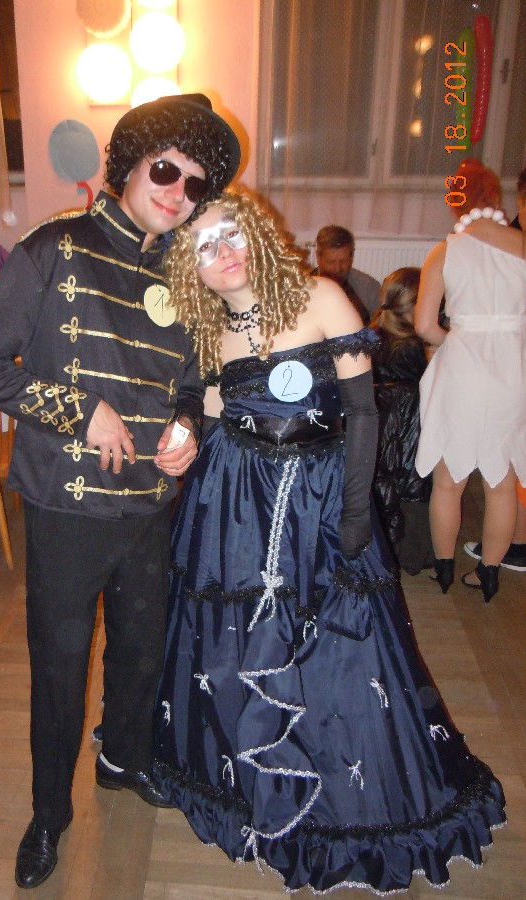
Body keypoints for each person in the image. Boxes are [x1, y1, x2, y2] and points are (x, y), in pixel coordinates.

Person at [152, 190, 506, 894]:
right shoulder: (208, 326)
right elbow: (206, 403)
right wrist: (184, 429)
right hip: (235, 499)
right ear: (192, 270)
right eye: (202, 248)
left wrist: (352, 513)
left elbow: (362, 413)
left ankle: (344, 796)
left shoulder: (320, 297)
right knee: (233, 636)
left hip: (317, 497)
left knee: (336, 642)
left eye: (229, 234)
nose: (221, 253)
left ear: (257, 235)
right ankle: (244, 778)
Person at [0, 93, 241, 890]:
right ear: (129, 164)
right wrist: (79, 410)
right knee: (58, 665)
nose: (176, 193)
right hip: (67, 505)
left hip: (149, 503)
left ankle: (122, 758)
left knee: (141, 649)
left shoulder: (184, 272)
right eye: (164, 171)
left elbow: (191, 381)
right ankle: (49, 814)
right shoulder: (53, 247)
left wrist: (186, 425)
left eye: (193, 184)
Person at [415, 159, 526, 601]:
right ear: (495, 197)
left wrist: (454, 340)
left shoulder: (445, 250)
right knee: (501, 482)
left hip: (463, 369)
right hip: (512, 369)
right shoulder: (522, 247)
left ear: (455, 202)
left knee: (449, 479)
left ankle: (444, 569)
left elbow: (425, 325)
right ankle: (490, 574)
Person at [370, 267, 434, 575]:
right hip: (410, 438)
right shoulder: (414, 348)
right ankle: (415, 553)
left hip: (378, 438)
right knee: (416, 489)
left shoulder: (372, 336)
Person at [312, 224, 380, 323]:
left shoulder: (369, 288)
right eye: (331, 262)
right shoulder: (302, 286)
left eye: (343, 261)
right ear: (318, 257)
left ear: (352, 257)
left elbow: (380, 326)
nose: (337, 269)